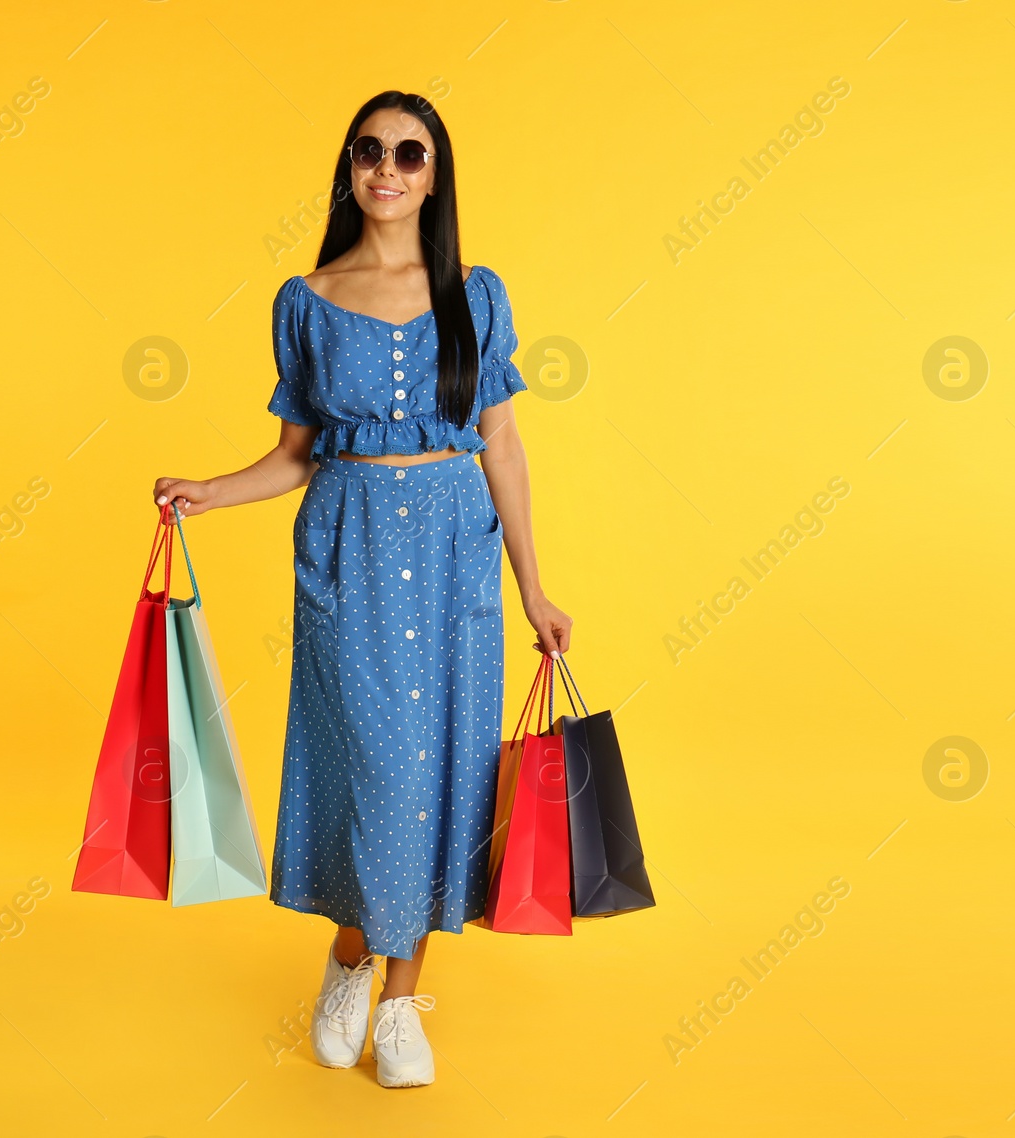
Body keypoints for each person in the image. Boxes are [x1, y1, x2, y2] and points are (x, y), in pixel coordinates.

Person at [152, 90, 572, 1088]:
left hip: (453, 555)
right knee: (370, 765)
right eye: (369, 150)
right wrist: (210, 490)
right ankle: (349, 954)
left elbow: (503, 444)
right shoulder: (306, 297)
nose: (387, 168)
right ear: (349, 168)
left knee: (444, 774)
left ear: (435, 173)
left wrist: (533, 588)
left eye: (409, 153)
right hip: (344, 549)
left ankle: (399, 1002)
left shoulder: (477, 292)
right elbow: (297, 454)